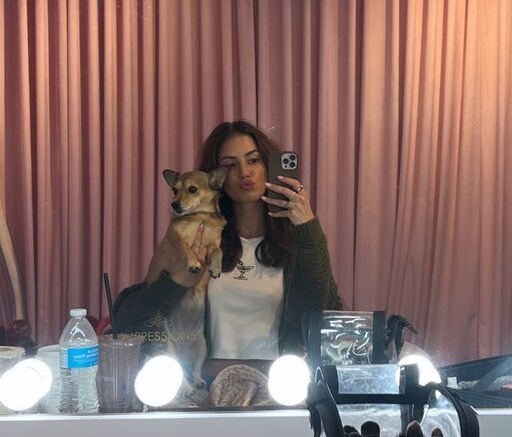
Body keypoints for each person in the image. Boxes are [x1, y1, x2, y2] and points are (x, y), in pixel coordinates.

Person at [115, 120, 342, 374]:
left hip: (281, 385)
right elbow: (127, 324)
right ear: (215, 179)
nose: (245, 172)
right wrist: (175, 283)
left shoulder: (296, 246)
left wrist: (307, 228)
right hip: (207, 385)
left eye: (253, 160)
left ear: (268, 166)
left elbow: (326, 320)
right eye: (230, 165)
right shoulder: (201, 242)